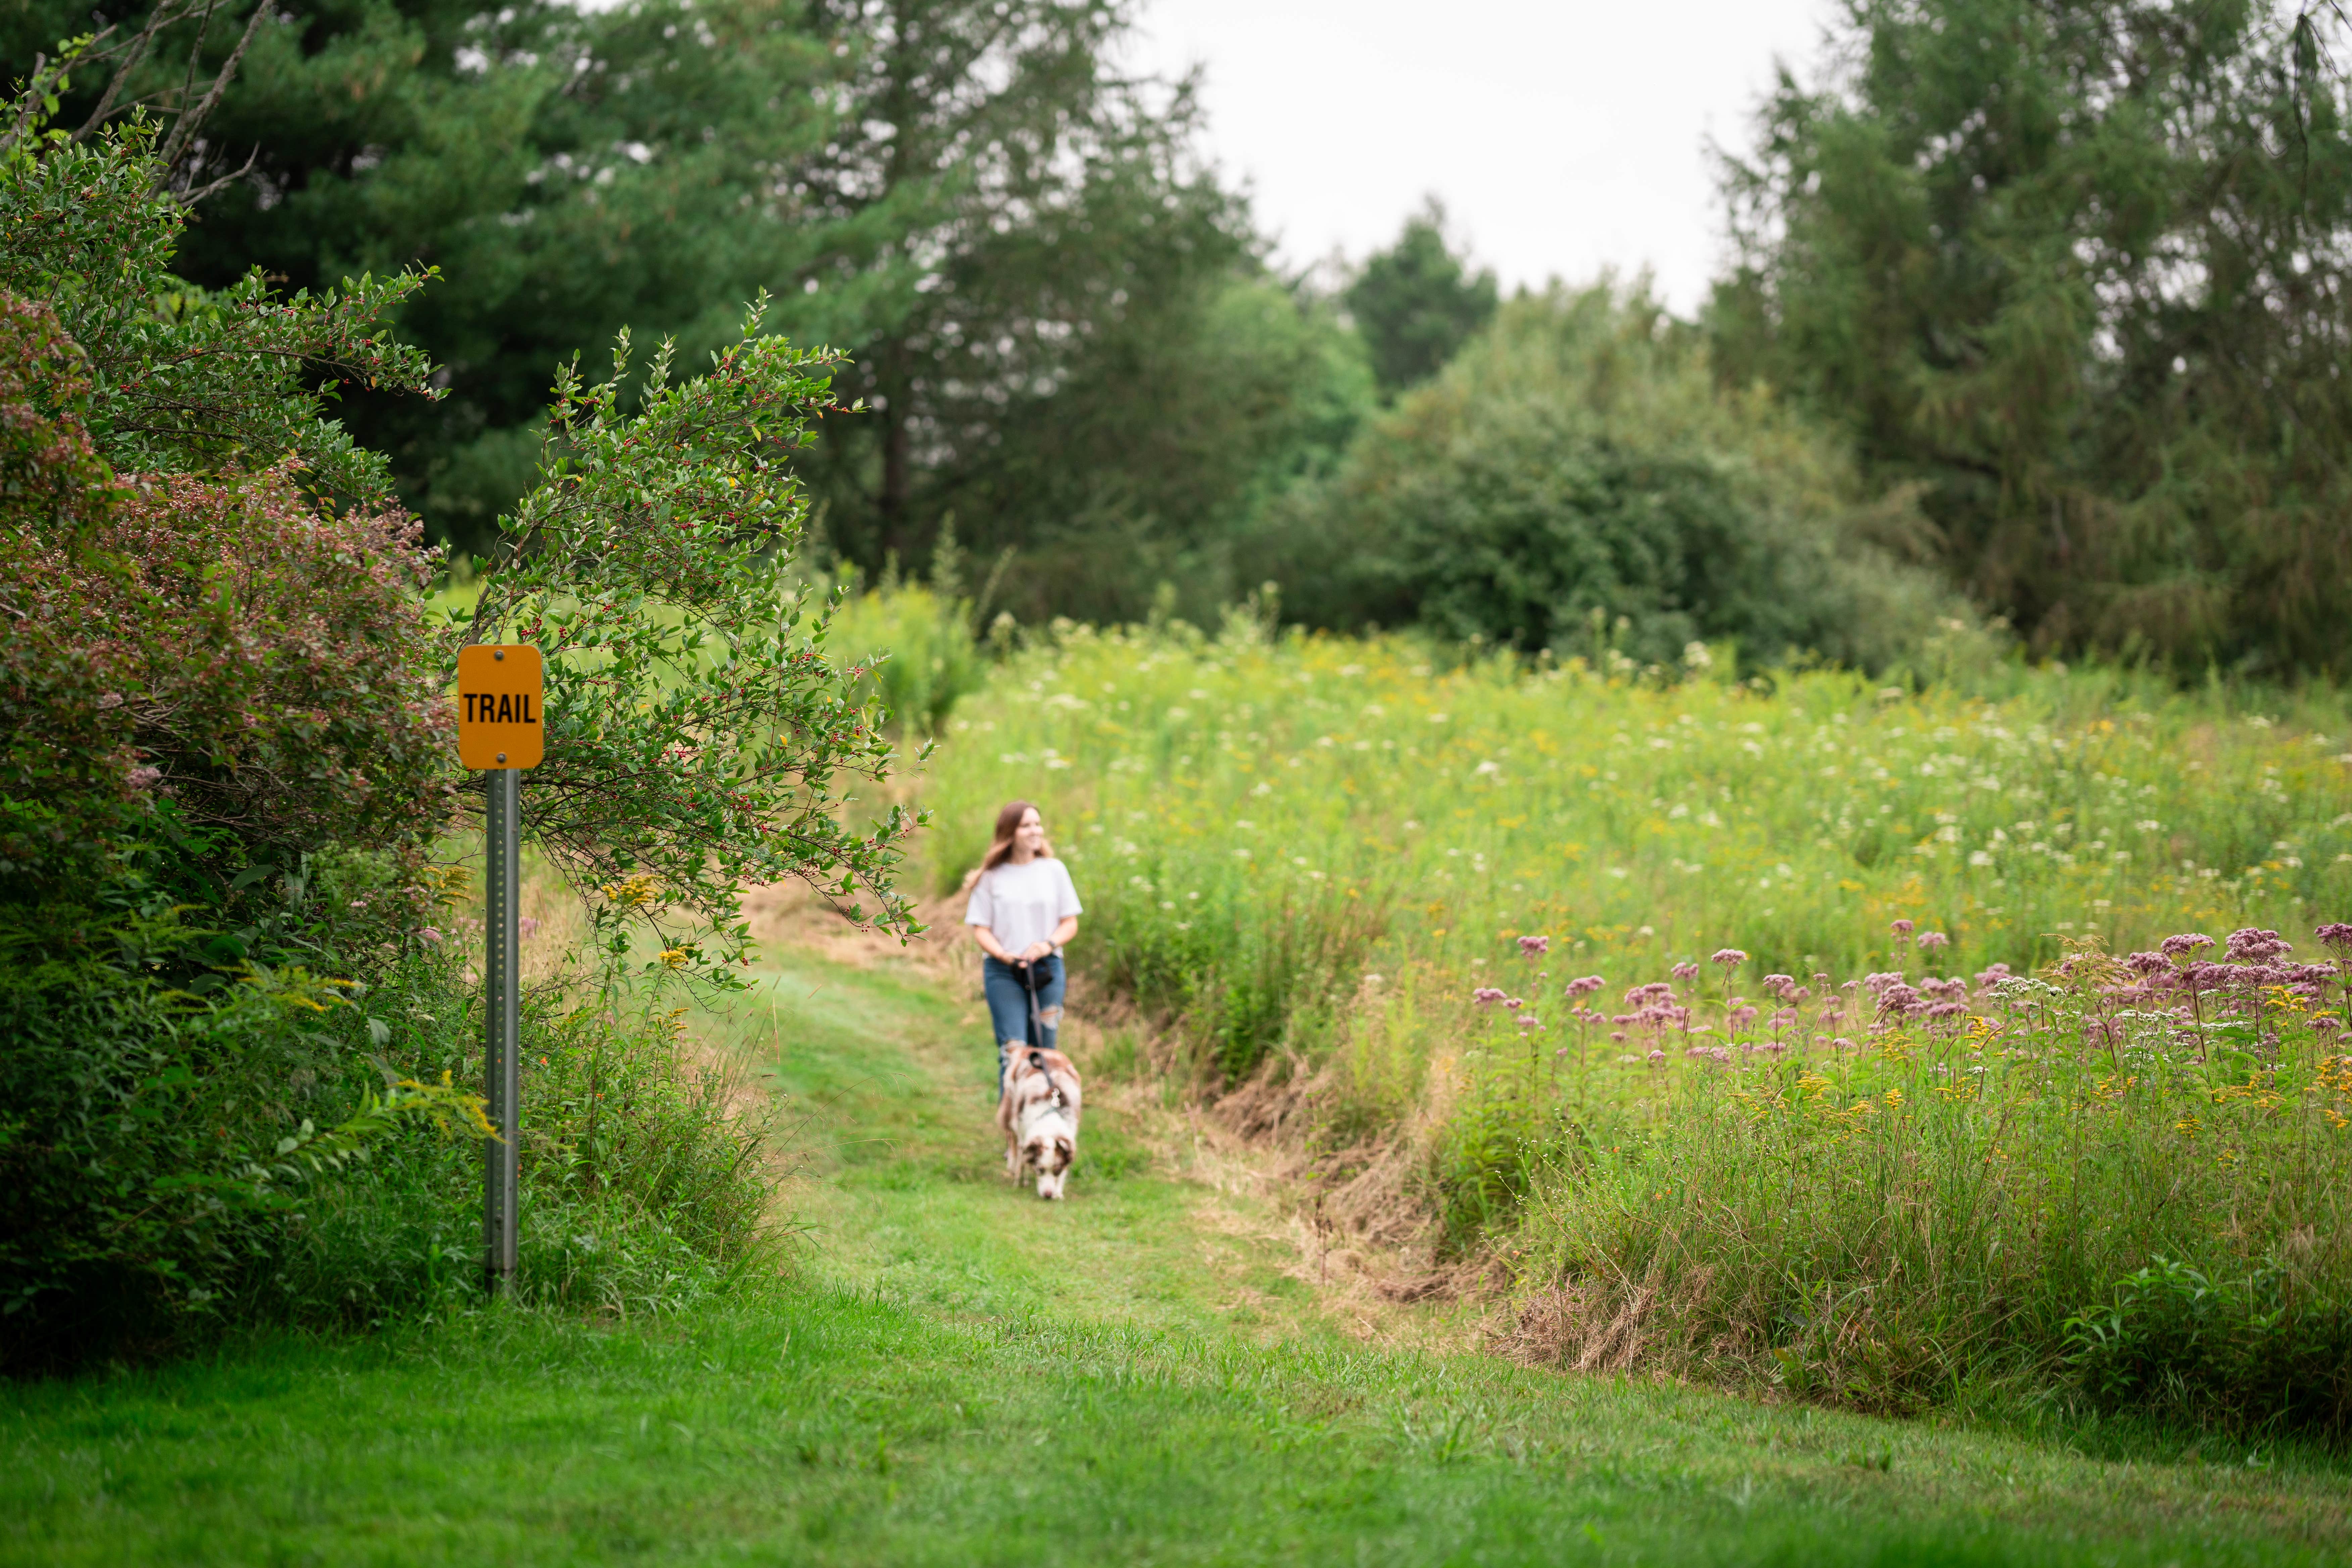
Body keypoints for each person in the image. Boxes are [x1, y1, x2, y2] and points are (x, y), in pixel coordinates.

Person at [965, 800, 1082, 1089]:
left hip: (1047, 966)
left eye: (1037, 824)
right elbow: (981, 929)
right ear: (1010, 832)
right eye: (1026, 825)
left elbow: (1070, 922)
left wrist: (1046, 945)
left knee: (1044, 1051)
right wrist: (1004, 955)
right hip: (1003, 970)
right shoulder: (991, 878)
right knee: (1014, 1052)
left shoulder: (1054, 870)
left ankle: (1042, 1126)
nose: (1035, 831)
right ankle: (1013, 1129)